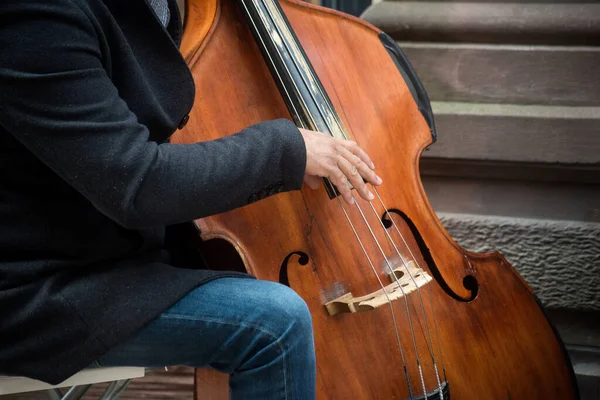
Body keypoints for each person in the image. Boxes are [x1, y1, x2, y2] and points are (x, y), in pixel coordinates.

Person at [0, 0, 381, 398]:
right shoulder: (34, 15)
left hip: (111, 256)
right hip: (33, 290)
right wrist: (286, 151)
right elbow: (138, 185)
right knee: (274, 323)